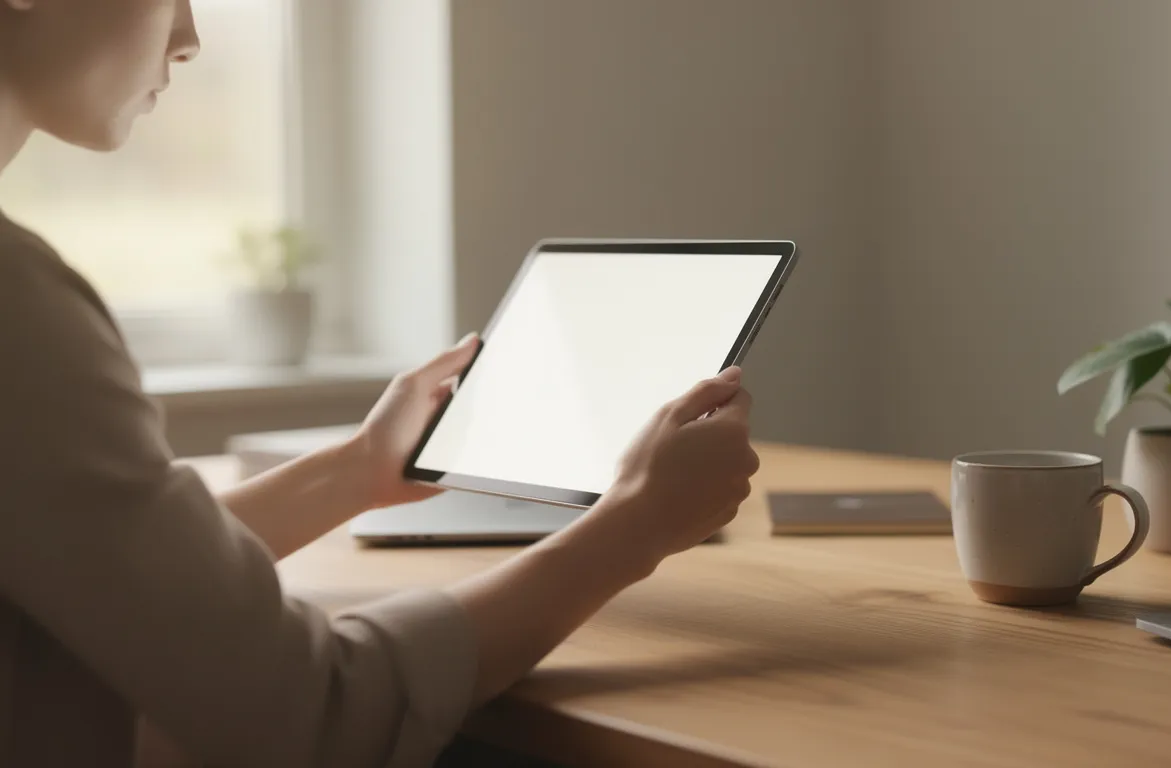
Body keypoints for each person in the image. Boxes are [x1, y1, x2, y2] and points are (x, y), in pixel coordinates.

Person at [0, 1, 761, 766]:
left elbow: (107, 580)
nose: (189, 38)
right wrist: (632, 527)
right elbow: (310, 711)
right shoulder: (17, 304)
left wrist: (356, 469)